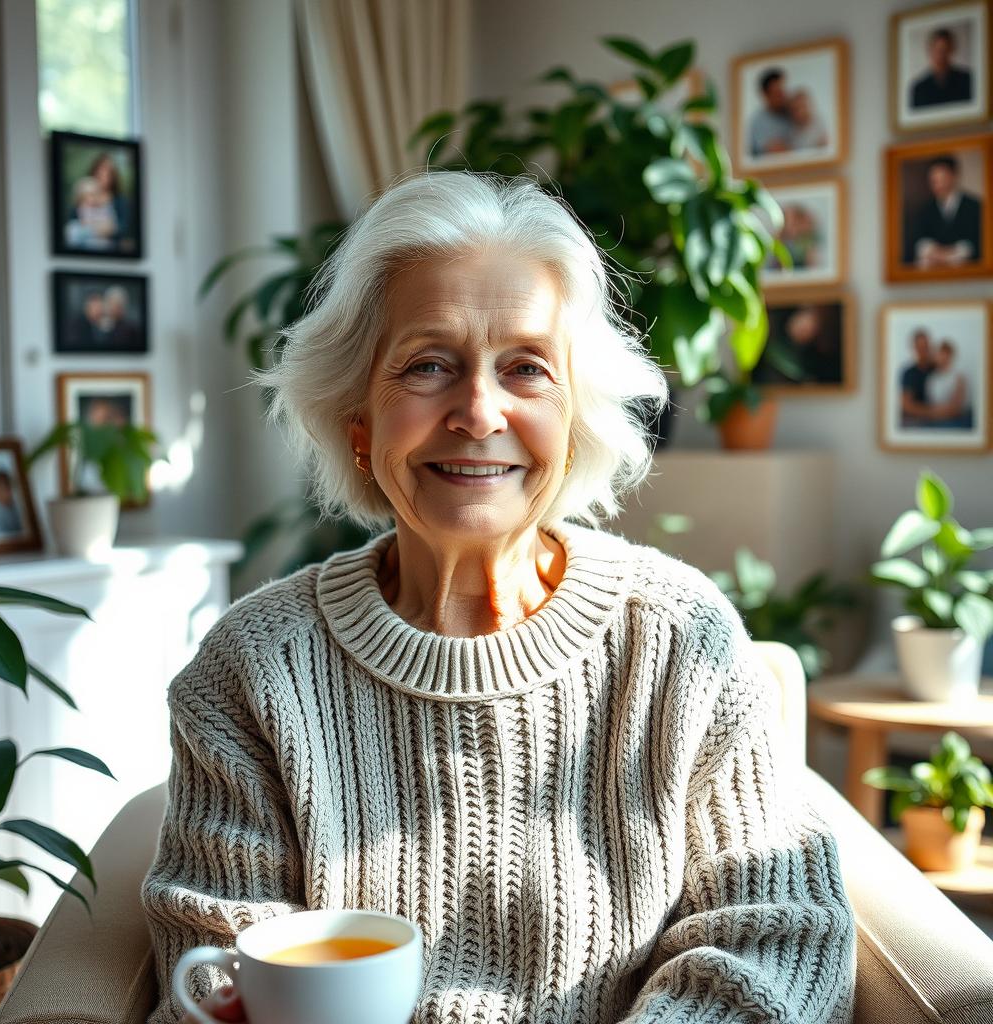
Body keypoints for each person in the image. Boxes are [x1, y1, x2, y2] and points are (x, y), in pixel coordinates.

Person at [140, 169, 856, 1024]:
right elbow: (213, 954)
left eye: (525, 368)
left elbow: (778, 934)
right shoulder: (252, 670)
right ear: (358, 423)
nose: (479, 412)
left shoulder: (681, 640)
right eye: (428, 365)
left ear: (576, 419)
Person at [906, 154, 983, 267]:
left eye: (942, 178)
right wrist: (932, 250)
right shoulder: (925, 210)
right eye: (934, 180)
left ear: (954, 176)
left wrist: (954, 252)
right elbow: (917, 241)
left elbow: (981, 242)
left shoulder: (975, 206)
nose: (937, 184)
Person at [910, 27, 974, 109]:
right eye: (937, 50)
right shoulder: (919, 88)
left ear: (951, 50)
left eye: (945, 50)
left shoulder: (967, 79)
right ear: (930, 51)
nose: (941, 56)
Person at [925, 339, 972, 429]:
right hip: (935, 419)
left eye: (942, 353)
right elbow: (930, 404)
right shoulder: (931, 378)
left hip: (957, 419)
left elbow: (956, 407)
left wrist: (934, 412)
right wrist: (932, 412)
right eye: (937, 353)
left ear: (949, 355)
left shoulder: (959, 376)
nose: (938, 357)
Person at [64, 176, 119, 251]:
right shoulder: (81, 210)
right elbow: (86, 224)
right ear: (81, 199)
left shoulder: (105, 208)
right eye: (89, 195)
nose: (93, 198)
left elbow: (111, 228)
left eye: (96, 194)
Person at [747, 67, 793, 156]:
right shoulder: (758, 121)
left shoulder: (792, 113)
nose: (783, 96)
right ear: (765, 95)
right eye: (778, 93)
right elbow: (776, 151)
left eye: (784, 91)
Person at [899, 328, 935, 427]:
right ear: (914, 347)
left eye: (926, 346)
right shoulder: (908, 373)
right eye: (920, 347)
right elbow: (907, 406)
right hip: (916, 420)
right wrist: (935, 412)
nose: (923, 350)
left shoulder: (937, 369)